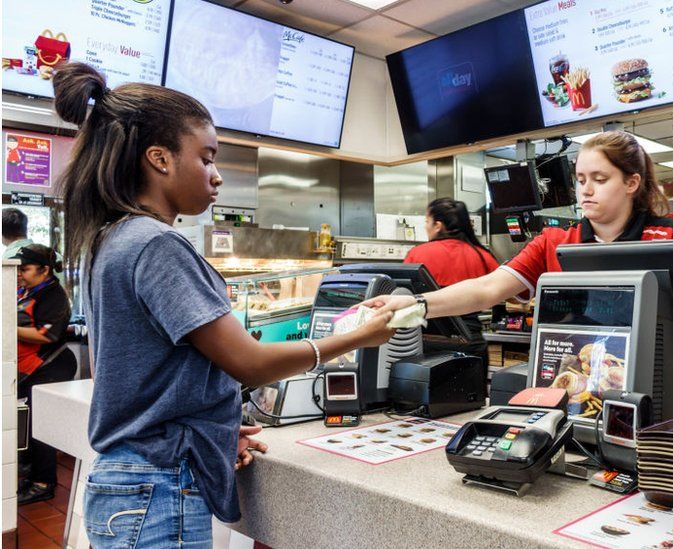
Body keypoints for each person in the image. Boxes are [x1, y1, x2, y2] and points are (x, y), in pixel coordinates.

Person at [52, 62, 394, 547]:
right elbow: (249, 364)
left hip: (137, 482)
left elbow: (153, 375)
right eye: (207, 158)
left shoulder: (112, 238)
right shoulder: (155, 244)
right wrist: (359, 336)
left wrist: (210, 432)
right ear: (159, 158)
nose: (215, 177)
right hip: (157, 489)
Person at [364, 130, 673, 322]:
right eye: (580, 179)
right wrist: (416, 305)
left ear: (631, 183)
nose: (586, 190)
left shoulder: (669, 237)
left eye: (600, 179)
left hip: (654, 387)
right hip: (573, 378)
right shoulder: (554, 242)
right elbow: (485, 289)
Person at [403, 197, 500, 363]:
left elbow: (404, 294)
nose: (426, 226)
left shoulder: (417, 254)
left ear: (438, 225)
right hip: (471, 341)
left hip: (427, 342)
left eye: (427, 221)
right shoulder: (482, 255)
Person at [13, 244, 74, 504]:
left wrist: (6, 325)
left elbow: (44, 334)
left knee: (40, 426)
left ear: (44, 270)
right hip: (29, 368)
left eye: (24, 269)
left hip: (51, 367)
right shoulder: (23, 290)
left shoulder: (54, 296)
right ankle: (30, 470)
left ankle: (44, 483)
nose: (19, 274)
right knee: (24, 422)